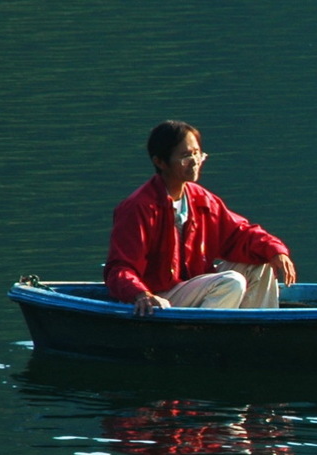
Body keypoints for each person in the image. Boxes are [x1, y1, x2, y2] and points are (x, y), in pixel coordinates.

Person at [105, 120, 298, 315]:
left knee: (260, 265)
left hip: (191, 287)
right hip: (157, 296)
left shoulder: (201, 200)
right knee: (231, 282)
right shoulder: (139, 207)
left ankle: (256, 333)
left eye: (197, 153)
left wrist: (275, 251)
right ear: (160, 162)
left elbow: (239, 235)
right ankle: (204, 335)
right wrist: (140, 294)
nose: (195, 161)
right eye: (185, 156)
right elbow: (119, 268)